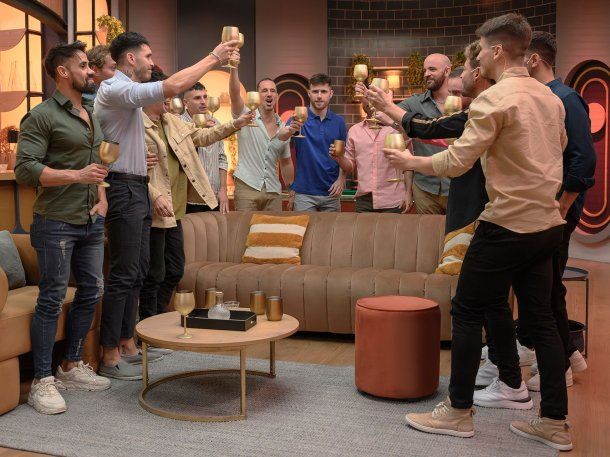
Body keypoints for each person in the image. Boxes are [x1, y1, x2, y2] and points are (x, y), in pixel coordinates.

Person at [375, 14, 573, 451]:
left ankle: (458, 411)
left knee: (466, 309)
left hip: (506, 224)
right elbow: (558, 149)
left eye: (480, 49)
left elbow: (456, 161)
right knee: (541, 321)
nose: (477, 57)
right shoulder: (550, 98)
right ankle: (554, 422)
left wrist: (411, 163)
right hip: (546, 226)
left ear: (497, 50)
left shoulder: (494, 99)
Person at [94, 31, 240, 380]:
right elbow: (172, 86)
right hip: (123, 187)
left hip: (135, 185)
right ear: (131, 58)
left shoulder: (128, 94)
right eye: (147, 56)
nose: (151, 62)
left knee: (137, 272)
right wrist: (215, 57)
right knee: (124, 274)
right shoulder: (115, 88)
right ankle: (110, 354)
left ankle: (128, 343)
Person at [15, 41, 111, 415]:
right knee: (53, 297)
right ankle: (42, 381)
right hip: (55, 221)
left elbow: (97, 163)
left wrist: (101, 196)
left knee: (93, 289)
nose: (91, 71)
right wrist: (77, 176)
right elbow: (26, 170)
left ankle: (70, 365)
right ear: (63, 72)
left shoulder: (90, 112)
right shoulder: (41, 116)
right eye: (84, 65)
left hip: (90, 219)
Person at [140, 71, 254, 321]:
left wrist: (236, 124)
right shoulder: (137, 124)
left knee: (174, 269)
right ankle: (147, 325)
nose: (169, 99)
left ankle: (155, 319)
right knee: (154, 273)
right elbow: (132, 170)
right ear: (149, 95)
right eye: (165, 93)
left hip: (175, 210)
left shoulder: (171, 121)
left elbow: (202, 137)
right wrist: (155, 196)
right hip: (155, 211)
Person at [229, 68, 294, 211]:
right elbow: (234, 95)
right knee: (244, 226)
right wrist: (234, 67)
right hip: (247, 187)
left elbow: (286, 162)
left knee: (272, 227)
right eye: (264, 91)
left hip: (273, 191)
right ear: (257, 96)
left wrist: (291, 190)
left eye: (272, 91)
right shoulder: (245, 116)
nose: (269, 94)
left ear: (277, 96)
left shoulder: (283, 127)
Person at [397, 53, 452, 215]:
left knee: (458, 231)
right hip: (424, 189)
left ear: (447, 71)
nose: (426, 74)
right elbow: (387, 114)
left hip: (457, 187)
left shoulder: (462, 101)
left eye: (432, 69)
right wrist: (375, 100)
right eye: (425, 70)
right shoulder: (414, 103)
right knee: (427, 230)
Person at [330, 103, 409, 213]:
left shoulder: (397, 128)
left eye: (374, 96)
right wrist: (339, 158)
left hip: (393, 199)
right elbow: (349, 167)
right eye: (367, 96)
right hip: (364, 201)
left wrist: (408, 193)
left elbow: (409, 164)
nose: (370, 101)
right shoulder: (354, 130)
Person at [286, 73, 347, 212]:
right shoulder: (298, 118)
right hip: (304, 194)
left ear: (331, 94)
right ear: (309, 93)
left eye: (323, 91)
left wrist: (341, 179)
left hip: (331, 194)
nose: (319, 96)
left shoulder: (339, 122)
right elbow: (281, 136)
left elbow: (343, 156)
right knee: (304, 227)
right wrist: (288, 130)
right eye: (315, 91)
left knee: (332, 228)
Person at [180, 82, 230, 214]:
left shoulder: (216, 123)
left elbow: (222, 158)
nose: (203, 101)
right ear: (185, 102)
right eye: (197, 98)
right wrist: (199, 128)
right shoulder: (178, 123)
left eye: (205, 97)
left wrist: (223, 190)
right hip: (188, 198)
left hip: (214, 196)